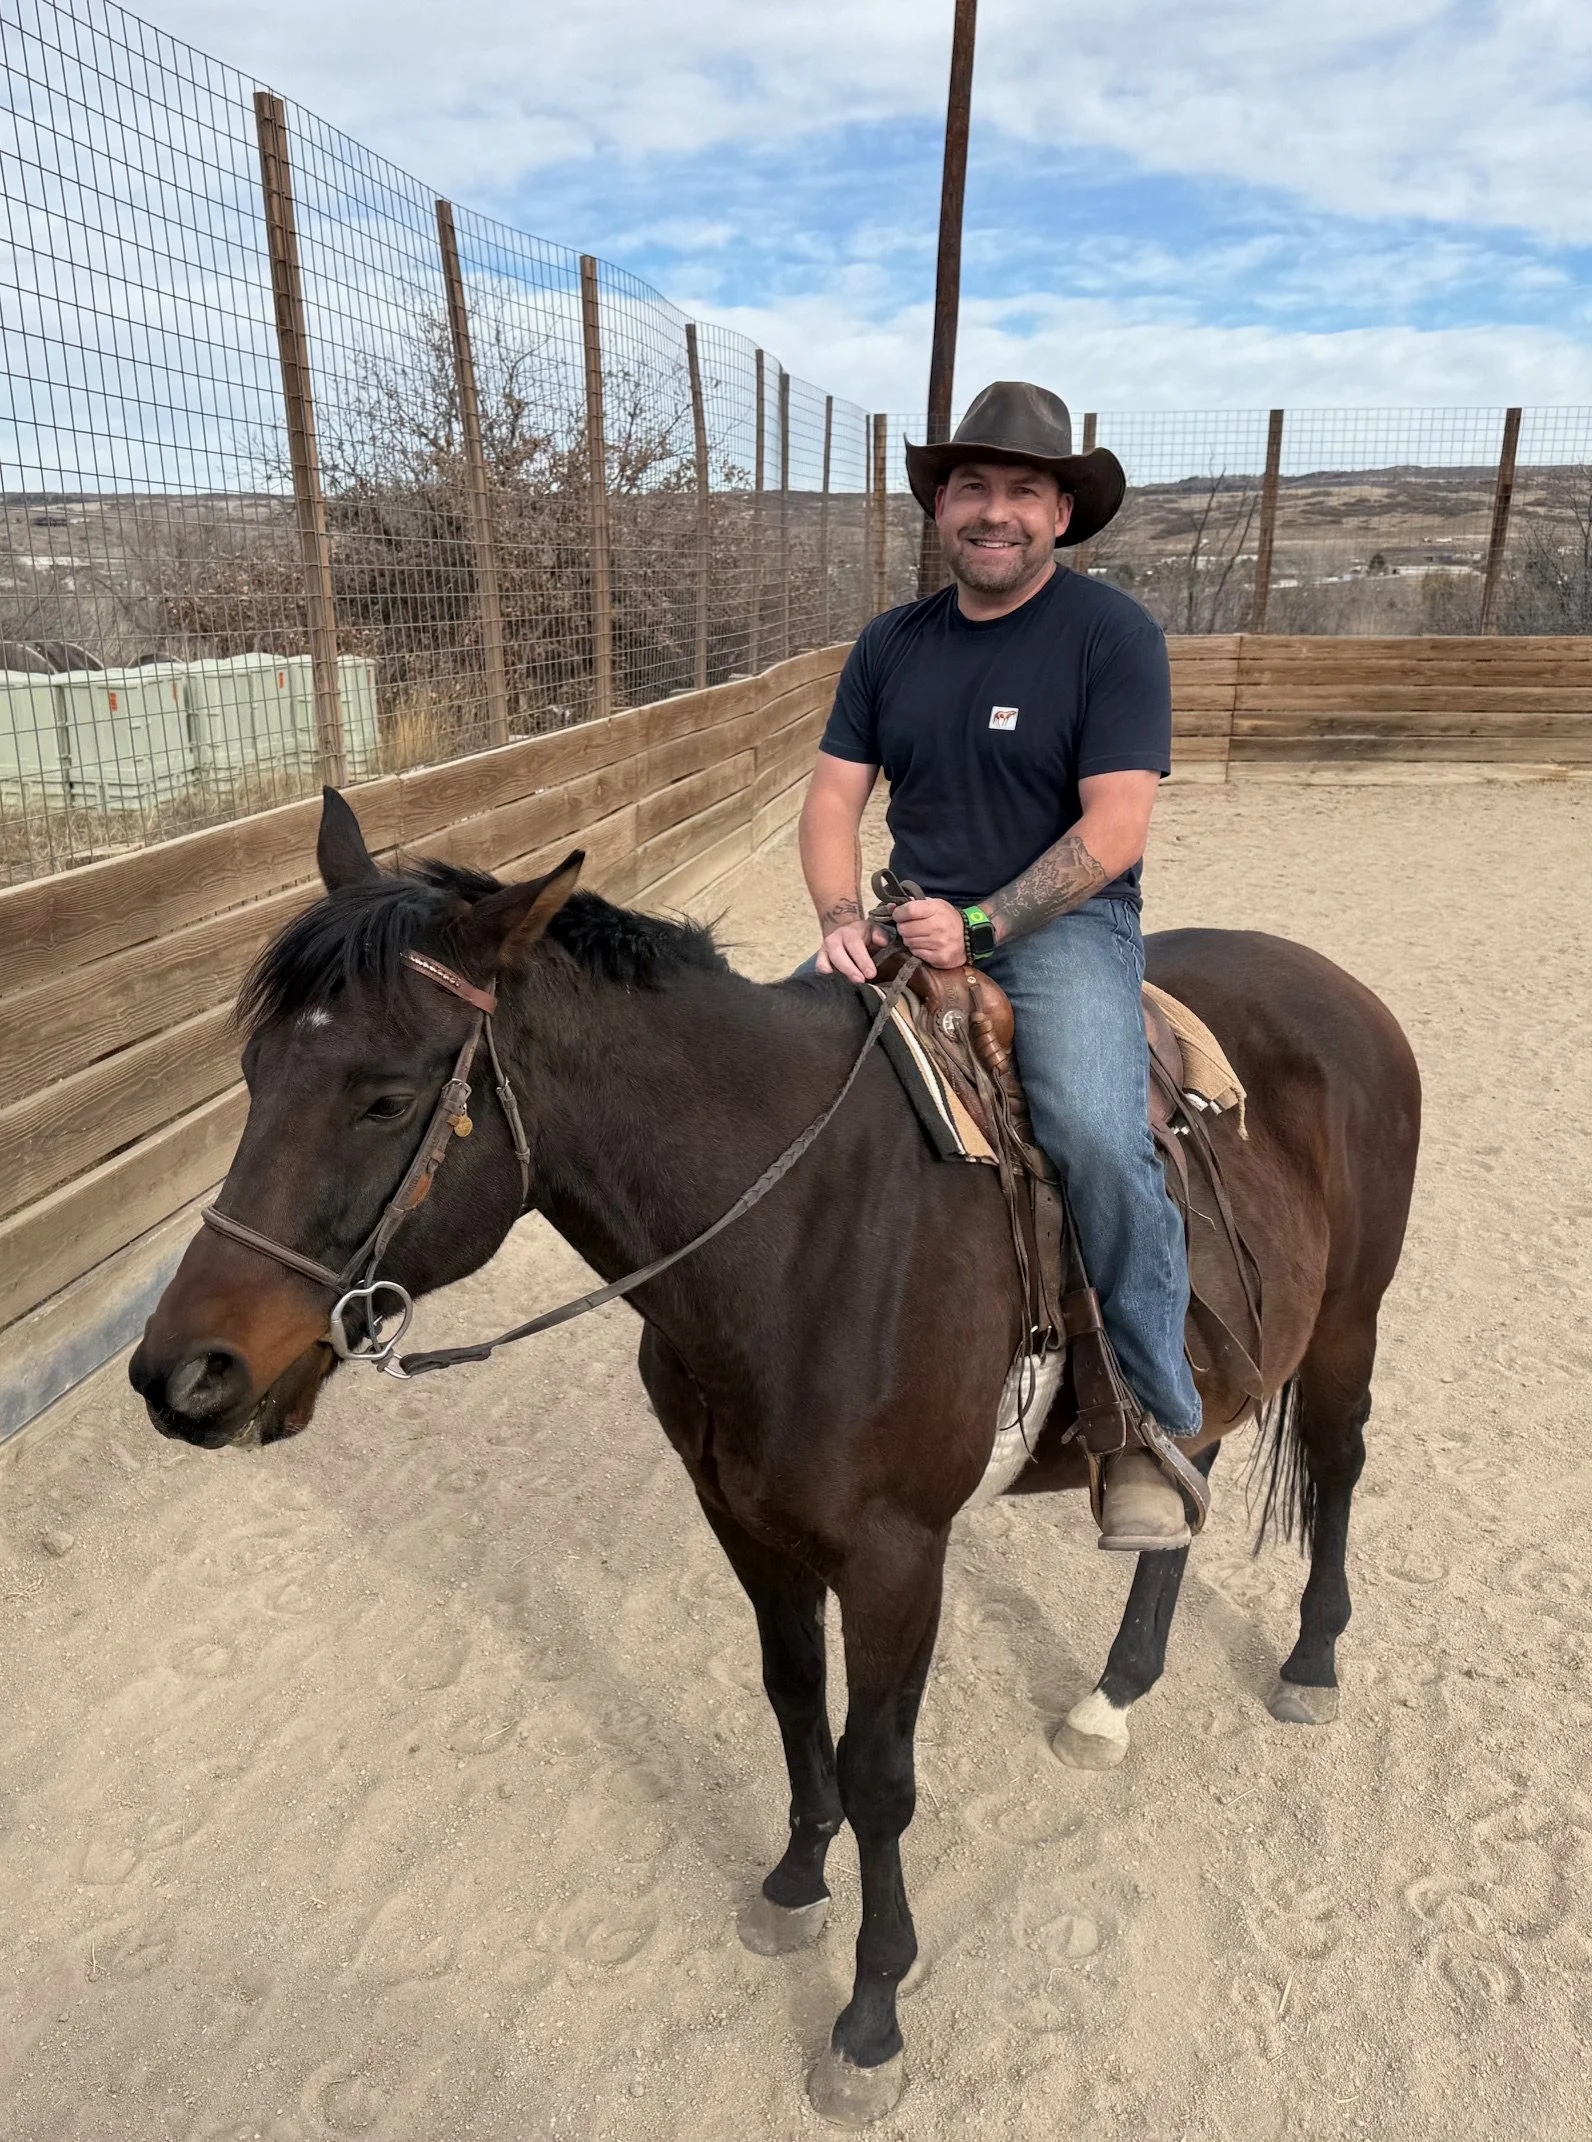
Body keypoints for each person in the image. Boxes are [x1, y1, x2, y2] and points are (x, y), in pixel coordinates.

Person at [798, 379, 1200, 1550]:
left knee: (1087, 1130)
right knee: (775, 1077)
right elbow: (832, 798)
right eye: (971, 486)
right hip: (903, 916)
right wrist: (836, 915)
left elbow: (1114, 828)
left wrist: (978, 931)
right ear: (941, 507)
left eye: (1023, 490)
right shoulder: (892, 644)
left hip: (1062, 930)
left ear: (1059, 516)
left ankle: (1142, 1420)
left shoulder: (1108, 635)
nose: (995, 511)